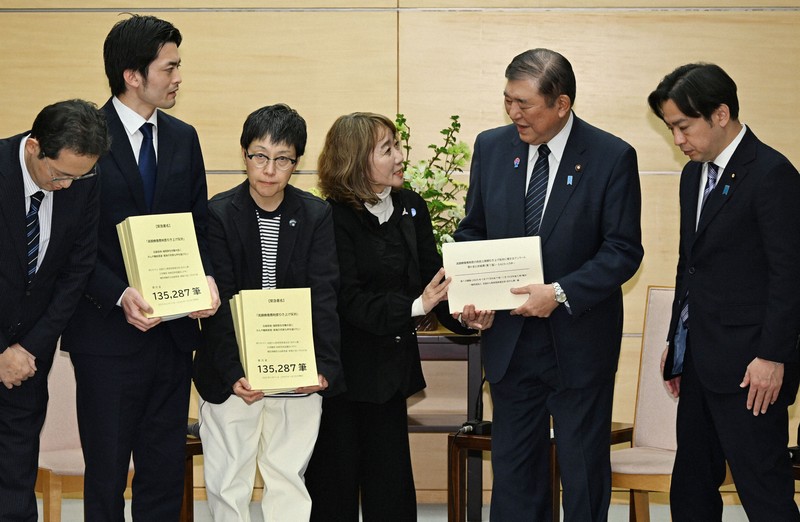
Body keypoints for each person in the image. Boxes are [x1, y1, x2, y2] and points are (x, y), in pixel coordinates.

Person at [455, 48, 643, 521]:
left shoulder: (610, 156)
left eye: (524, 103)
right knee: (516, 478)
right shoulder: (492, 147)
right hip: (511, 343)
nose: (513, 113)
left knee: (581, 474)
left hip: (578, 341)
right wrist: (475, 295)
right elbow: (473, 230)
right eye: (507, 100)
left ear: (562, 104)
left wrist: (558, 292)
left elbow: (622, 250)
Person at [60, 15, 220, 521]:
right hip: (106, 334)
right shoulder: (86, 137)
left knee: (164, 470)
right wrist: (119, 295)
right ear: (133, 74)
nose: (177, 77)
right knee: (106, 475)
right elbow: (70, 244)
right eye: (169, 67)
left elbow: (198, 225)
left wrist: (207, 277)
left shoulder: (183, 138)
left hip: (172, 336)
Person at [304, 112, 490, 521]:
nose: (401, 156)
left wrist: (468, 316)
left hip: (389, 377)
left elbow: (434, 283)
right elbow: (346, 299)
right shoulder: (329, 217)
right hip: (341, 379)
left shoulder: (411, 206)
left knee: (391, 497)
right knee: (332, 495)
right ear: (356, 159)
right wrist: (415, 306)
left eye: (398, 146)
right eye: (388, 149)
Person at [648, 63, 800, 521]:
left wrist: (773, 356)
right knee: (691, 489)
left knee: (764, 491)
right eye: (670, 128)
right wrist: (677, 342)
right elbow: (689, 266)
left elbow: (790, 276)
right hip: (699, 361)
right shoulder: (693, 175)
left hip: (753, 370)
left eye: (682, 126)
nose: (677, 140)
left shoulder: (772, 173)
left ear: (720, 114)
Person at [192, 103, 343, 521]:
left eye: (282, 159)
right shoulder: (218, 212)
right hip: (233, 372)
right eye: (260, 156)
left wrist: (324, 367)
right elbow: (217, 302)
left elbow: (324, 294)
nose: (269, 169)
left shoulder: (315, 214)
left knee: (288, 478)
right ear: (244, 154)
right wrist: (232, 371)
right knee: (228, 480)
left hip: (297, 370)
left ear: (297, 162)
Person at [0, 99, 109, 522]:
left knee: (15, 475)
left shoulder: (83, 181)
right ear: (33, 147)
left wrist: (28, 349)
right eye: (60, 174)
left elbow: (77, 271)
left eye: (79, 176)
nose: (67, 186)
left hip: (29, 355)